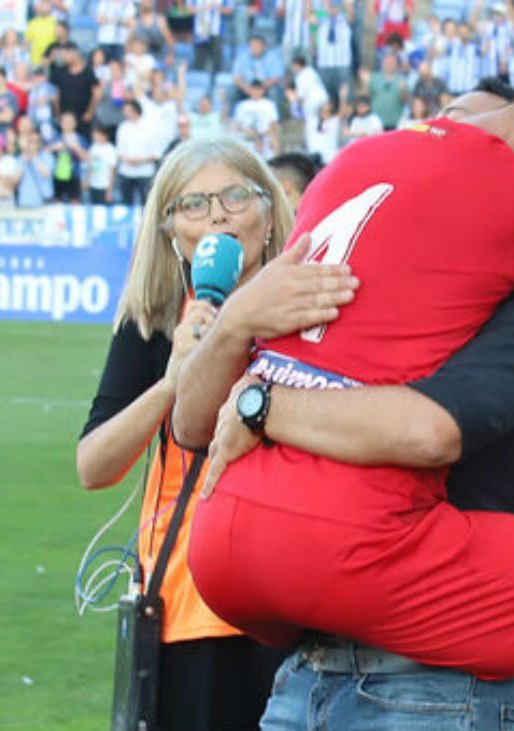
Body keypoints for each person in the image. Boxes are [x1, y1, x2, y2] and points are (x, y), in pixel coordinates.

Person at [174, 52, 514, 727]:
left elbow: (188, 423)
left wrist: (261, 398)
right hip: (353, 544)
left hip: (223, 537)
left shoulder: (357, 158)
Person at [77, 136, 359, 731]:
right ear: (171, 232)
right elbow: (94, 466)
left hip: (299, 601)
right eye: (194, 204)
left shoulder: (312, 308)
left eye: (236, 196)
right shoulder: (155, 322)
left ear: (269, 212)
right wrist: (172, 382)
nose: (218, 217)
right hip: (191, 608)